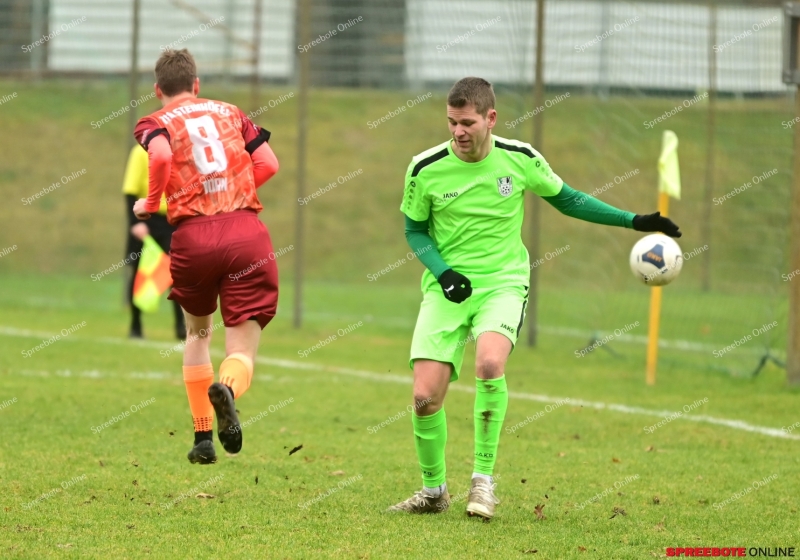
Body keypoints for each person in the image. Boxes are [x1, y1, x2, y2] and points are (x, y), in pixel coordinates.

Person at [389, 77, 680, 520]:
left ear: (490, 118)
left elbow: (568, 200)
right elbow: (414, 229)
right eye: (451, 123)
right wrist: (443, 272)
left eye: (467, 122)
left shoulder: (520, 158)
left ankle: (482, 483)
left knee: (489, 363)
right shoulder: (424, 167)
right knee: (425, 397)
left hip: (504, 281)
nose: (458, 132)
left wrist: (634, 220)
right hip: (448, 288)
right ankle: (433, 492)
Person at [132, 49, 280, 465]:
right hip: (244, 232)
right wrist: (234, 191)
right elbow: (268, 163)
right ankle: (229, 390)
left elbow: (160, 156)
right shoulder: (231, 111)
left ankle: (201, 439)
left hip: (192, 237)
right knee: (242, 347)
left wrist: (152, 201)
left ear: (158, 89)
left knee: (198, 335)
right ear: (197, 85)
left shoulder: (154, 121)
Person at [121, 143, 186, 340]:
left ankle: (181, 326)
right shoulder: (140, 152)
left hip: (171, 220)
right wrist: (135, 223)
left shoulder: (180, 152)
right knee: (140, 271)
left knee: (175, 273)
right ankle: (136, 324)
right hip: (145, 218)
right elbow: (130, 190)